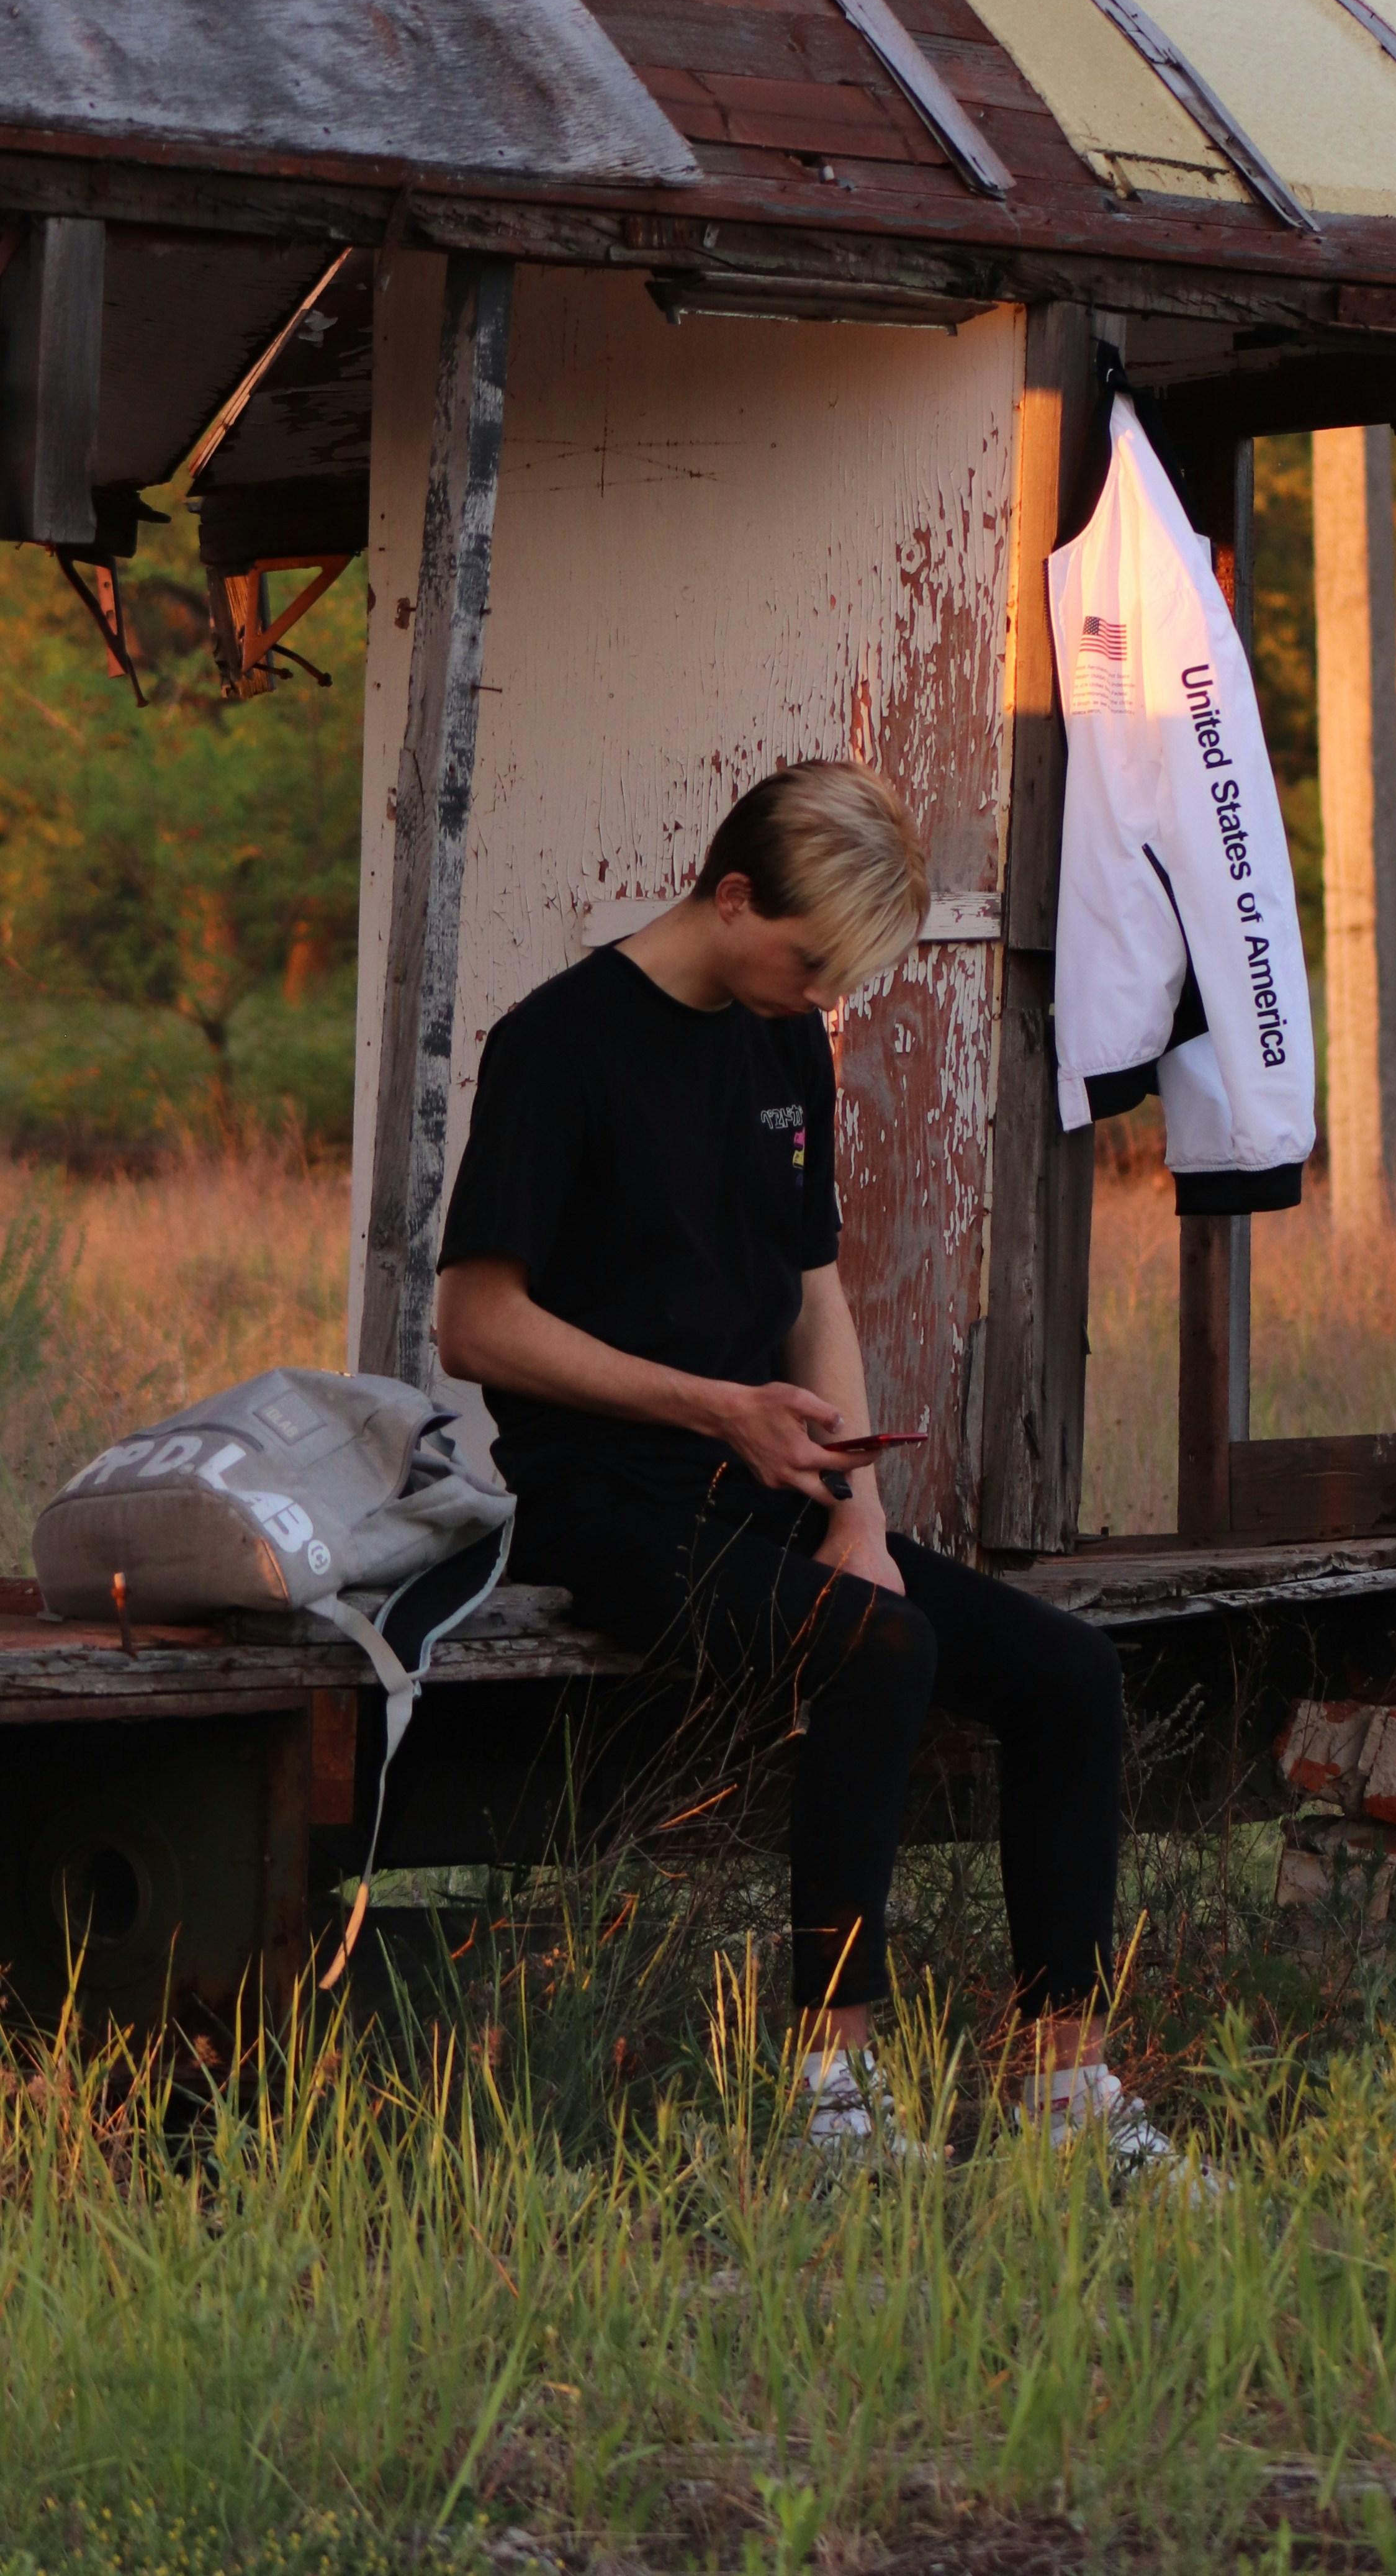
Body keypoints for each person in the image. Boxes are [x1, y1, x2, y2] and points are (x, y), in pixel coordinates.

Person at [435, 757, 1166, 2161]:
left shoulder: (777, 1044)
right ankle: (830, 2091)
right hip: (604, 1503)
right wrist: (714, 1408)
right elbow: (474, 1325)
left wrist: (863, 1515)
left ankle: (1064, 2092)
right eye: (809, 957)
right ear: (727, 896)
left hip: (767, 1486)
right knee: (873, 1652)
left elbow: (812, 1292)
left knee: (1069, 1675)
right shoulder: (559, 1044)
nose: (823, 994)